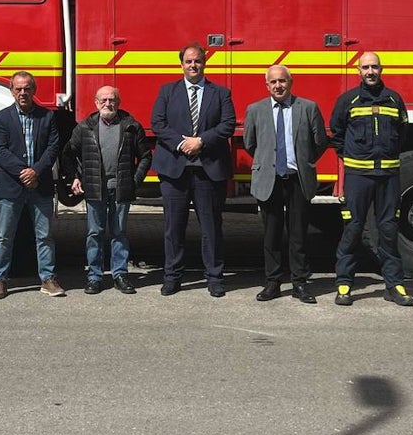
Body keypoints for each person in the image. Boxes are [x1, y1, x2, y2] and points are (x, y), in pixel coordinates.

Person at [329, 51, 413, 307]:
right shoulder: (348, 101)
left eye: (374, 67)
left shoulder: (394, 100)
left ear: (381, 69)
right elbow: (336, 133)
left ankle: (394, 285)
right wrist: (352, 157)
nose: (370, 72)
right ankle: (344, 283)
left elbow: (402, 133)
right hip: (358, 177)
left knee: (388, 230)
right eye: (365, 67)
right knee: (353, 229)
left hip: (388, 176)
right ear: (358, 71)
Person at [150, 43, 236, 297]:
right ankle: (172, 277)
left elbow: (228, 124)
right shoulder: (167, 91)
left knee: (211, 228)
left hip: (208, 171)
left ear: (204, 63)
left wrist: (201, 141)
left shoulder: (220, 93)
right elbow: (158, 123)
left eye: (197, 61)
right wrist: (181, 143)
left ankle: (214, 277)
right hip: (174, 170)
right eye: (188, 61)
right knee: (173, 227)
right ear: (181, 64)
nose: (193, 65)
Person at [242, 65, 329, 304]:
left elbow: (320, 142)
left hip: (297, 179)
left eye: (282, 81)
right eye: (273, 82)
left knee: (298, 235)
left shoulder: (308, 108)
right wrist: (268, 163)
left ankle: (300, 283)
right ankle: (273, 282)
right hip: (269, 180)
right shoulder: (255, 110)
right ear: (267, 85)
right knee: (271, 234)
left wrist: (304, 162)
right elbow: (250, 144)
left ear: (290, 82)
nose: (278, 86)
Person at [62, 85, 152, 295]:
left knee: (119, 233)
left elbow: (146, 156)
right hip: (95, 189)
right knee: (94, 233)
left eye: (112, 100)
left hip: (120, 189)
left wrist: (135, 180)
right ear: (96, 103)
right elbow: (67, 153)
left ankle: (120, 274)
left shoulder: (131, 126)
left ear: (118, 103)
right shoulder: (85, 127)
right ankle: (94, 276)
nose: (107, 104)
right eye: (103, 100)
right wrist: (74, 177)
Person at [0, 70, 64, 299]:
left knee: (44, 235)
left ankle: (48, 279)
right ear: (12, 91)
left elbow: (53, 147)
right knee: (4, 235)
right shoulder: (0, 118)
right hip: (12, 185)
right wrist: (23, 172)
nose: (23, 93)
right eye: (18, 89)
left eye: (27, 88)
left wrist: (36, 171)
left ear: (34, 90)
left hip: (39, 185)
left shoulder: (47, 117)